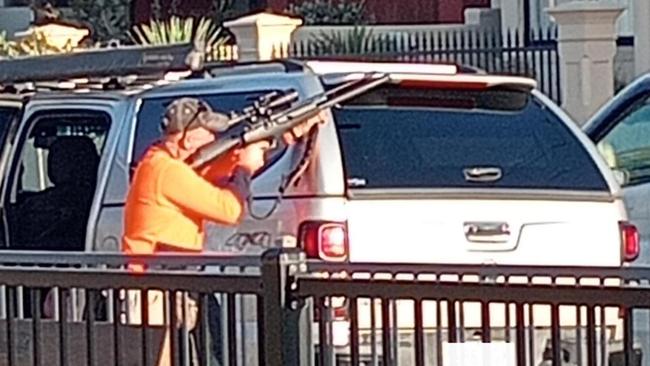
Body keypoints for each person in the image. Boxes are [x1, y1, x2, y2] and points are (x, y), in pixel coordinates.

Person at [121, 97, 325, 366]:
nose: (214, 137)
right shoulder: (165, 170)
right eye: (208, 133)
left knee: (213, 346)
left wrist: (286, 133)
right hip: (155, 287)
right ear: (187, 139)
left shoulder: (167, 162)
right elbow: (229, 210)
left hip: (174, 280)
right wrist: (243, 169)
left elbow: (219, 166)